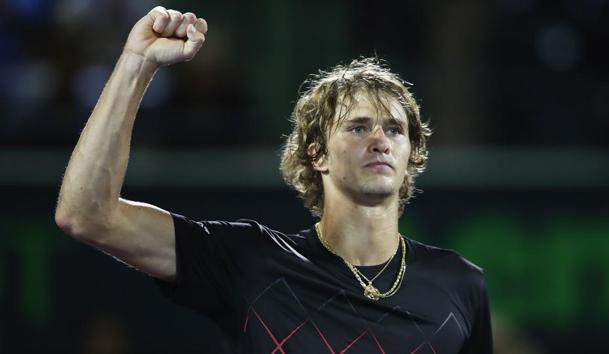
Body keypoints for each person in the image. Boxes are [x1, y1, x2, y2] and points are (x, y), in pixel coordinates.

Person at [55, 6, 493, 353]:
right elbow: (87, 215)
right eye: (358, 127)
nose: (380, 141)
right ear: (316, 154)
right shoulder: (250, 262)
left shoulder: (460, 284)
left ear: (411, 154)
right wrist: (136, 64)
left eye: (395, 130)